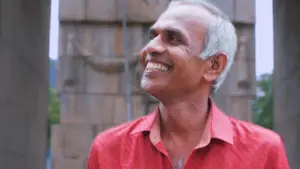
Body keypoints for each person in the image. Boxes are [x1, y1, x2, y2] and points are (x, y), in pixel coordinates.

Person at [87, 0, 290, 168]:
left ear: (214, 65)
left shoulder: (264, 152)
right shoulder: (107, 150)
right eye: (153, 36)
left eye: (173, 38)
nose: (150, 47)